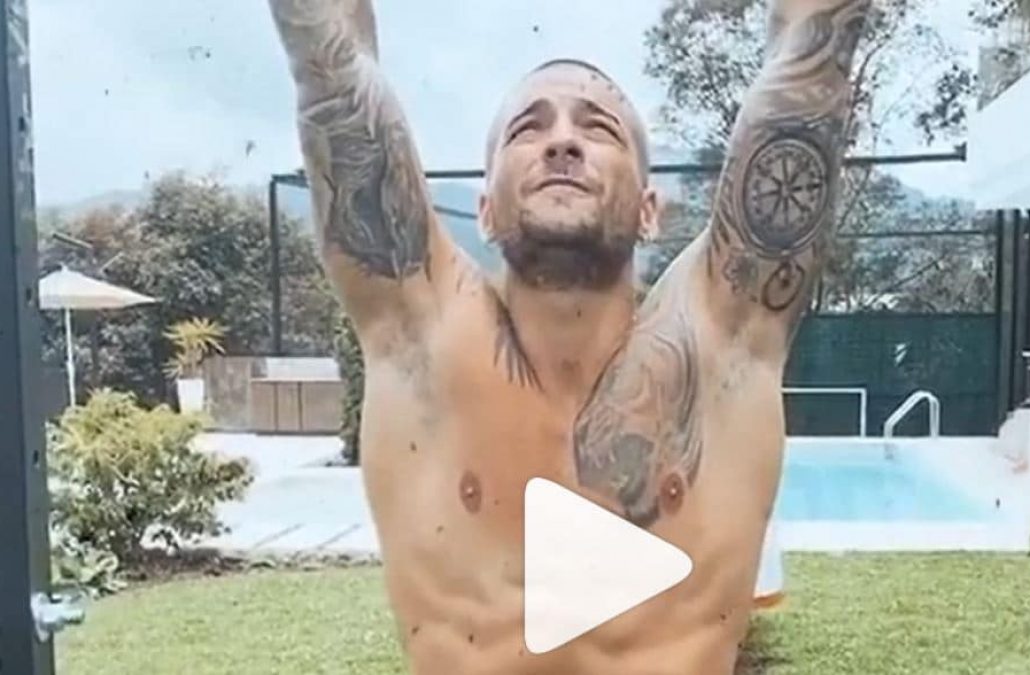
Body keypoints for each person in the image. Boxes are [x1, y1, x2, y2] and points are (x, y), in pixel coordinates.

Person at [268, 0, 867, 672]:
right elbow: (333, 71)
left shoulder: (721, 337)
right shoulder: (421, 336)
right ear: (484, 210)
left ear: (649, 210)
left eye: (598, 128)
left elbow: (806, 73)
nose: (561, 143)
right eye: (529, 128)